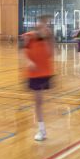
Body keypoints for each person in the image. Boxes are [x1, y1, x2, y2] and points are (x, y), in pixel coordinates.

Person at [21, 14, 55, 142]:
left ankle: (42, 129)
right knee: (38, 102)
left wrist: (49, 39)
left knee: (41, 102)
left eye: (45, 25)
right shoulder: (29, 36)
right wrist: (28, 61)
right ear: (37, 25)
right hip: (33, 74)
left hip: (45, 73)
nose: (43, 28)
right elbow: (23, 52)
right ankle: (42, 130)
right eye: (41, 25)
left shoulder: (48, 38)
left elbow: (50, 53)